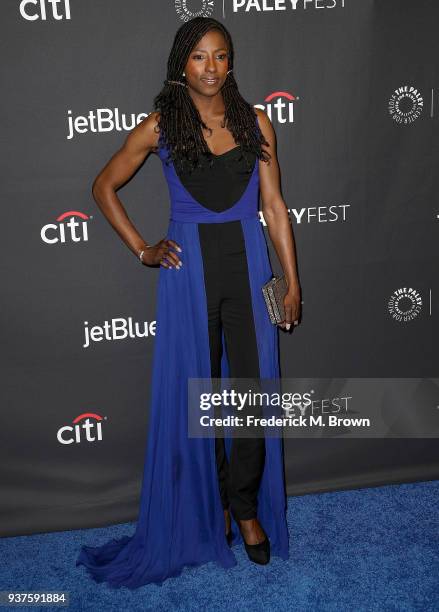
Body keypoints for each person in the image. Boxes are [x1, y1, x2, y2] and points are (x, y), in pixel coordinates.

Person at [76, 16, 301, 588]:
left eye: (220, 56)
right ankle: (213, 509)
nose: (211, 67)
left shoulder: (256, 123)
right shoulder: (160, 127)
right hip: (189, 272)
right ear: (183, 64)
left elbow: (274, 206)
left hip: (249, 268)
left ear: (232, 62)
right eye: (199, 56)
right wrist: (142, 249)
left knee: (250, 399)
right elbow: (103, 186)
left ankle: (246, 510)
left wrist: (292, 282)